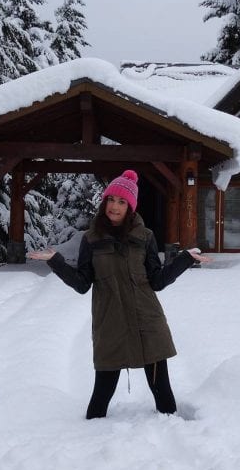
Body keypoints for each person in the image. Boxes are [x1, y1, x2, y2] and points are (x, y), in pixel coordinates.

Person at [28, 169, 209, 419]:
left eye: (122, 201)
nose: (115, 206)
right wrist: (55, 261)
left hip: (148, 322)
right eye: (111, 199)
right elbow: (82, 283)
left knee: (164, 396)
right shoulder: (91, 239)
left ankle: (174, 444)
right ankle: (88, 444)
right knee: (100, 399)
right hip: (110, 324)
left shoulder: (145, 237)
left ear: (130, 207)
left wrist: (185, 259)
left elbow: (157, 280)